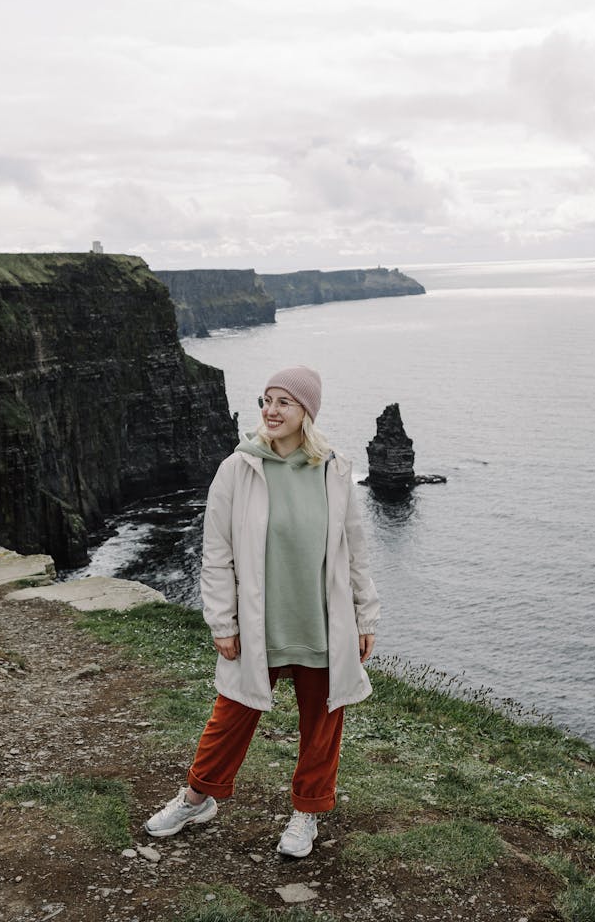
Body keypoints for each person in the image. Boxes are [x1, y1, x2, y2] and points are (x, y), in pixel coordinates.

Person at [145, 366, 380, 857]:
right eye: (266, 400)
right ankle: (196, 797)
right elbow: (217, 554)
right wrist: (222, 622)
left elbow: (355, 551)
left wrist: (365, 617)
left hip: (321, 620)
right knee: (232, 714)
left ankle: (306, 813)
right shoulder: (237, 469)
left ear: (306, 413)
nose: (270, 411)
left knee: (323, 721)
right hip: (258, 625)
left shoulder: (334, 470)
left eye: (284, 402)